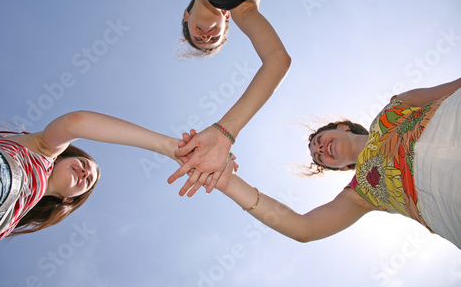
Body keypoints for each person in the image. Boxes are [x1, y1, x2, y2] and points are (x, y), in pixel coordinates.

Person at [178, 77, 461, 249]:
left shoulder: (397, 106)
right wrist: (228, 182)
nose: (320, 150)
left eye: (320, 140)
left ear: (343, 127)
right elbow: (304, 229)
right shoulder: (361, 194)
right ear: (340, 169)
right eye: (319, 157)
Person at [170, 0, 327, 197]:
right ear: (227, 19)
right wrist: (226, 131)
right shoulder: (242, 7)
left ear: (186, 16)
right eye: (213, 40)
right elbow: (277, 59)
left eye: (199, 38)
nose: (206, 36)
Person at [0, 111, 183, 262]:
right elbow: (75, 122)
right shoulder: (43, 151)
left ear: (67, 199)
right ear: (62, 158)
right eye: (85, 165)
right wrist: (168, 147)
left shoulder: (13, 218)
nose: (86, 173)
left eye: (88, 181)